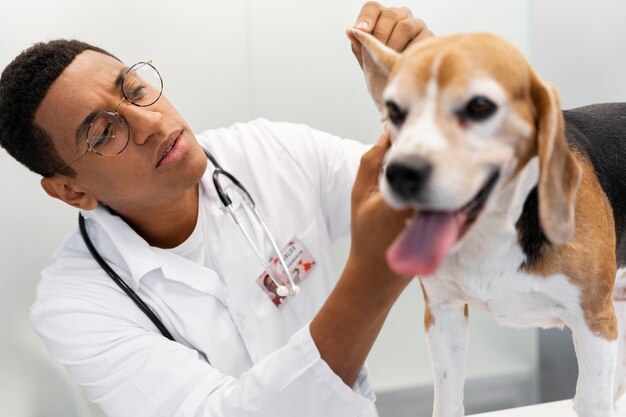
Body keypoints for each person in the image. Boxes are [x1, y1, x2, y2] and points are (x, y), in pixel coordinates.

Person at [0, 3, 433, 417]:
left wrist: (437, 91)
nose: (150, 123)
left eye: (135, 90)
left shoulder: (270, 152)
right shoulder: (75, 306)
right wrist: (372, 279)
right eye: (104, 132)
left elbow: (434, 199)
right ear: (71, 192)